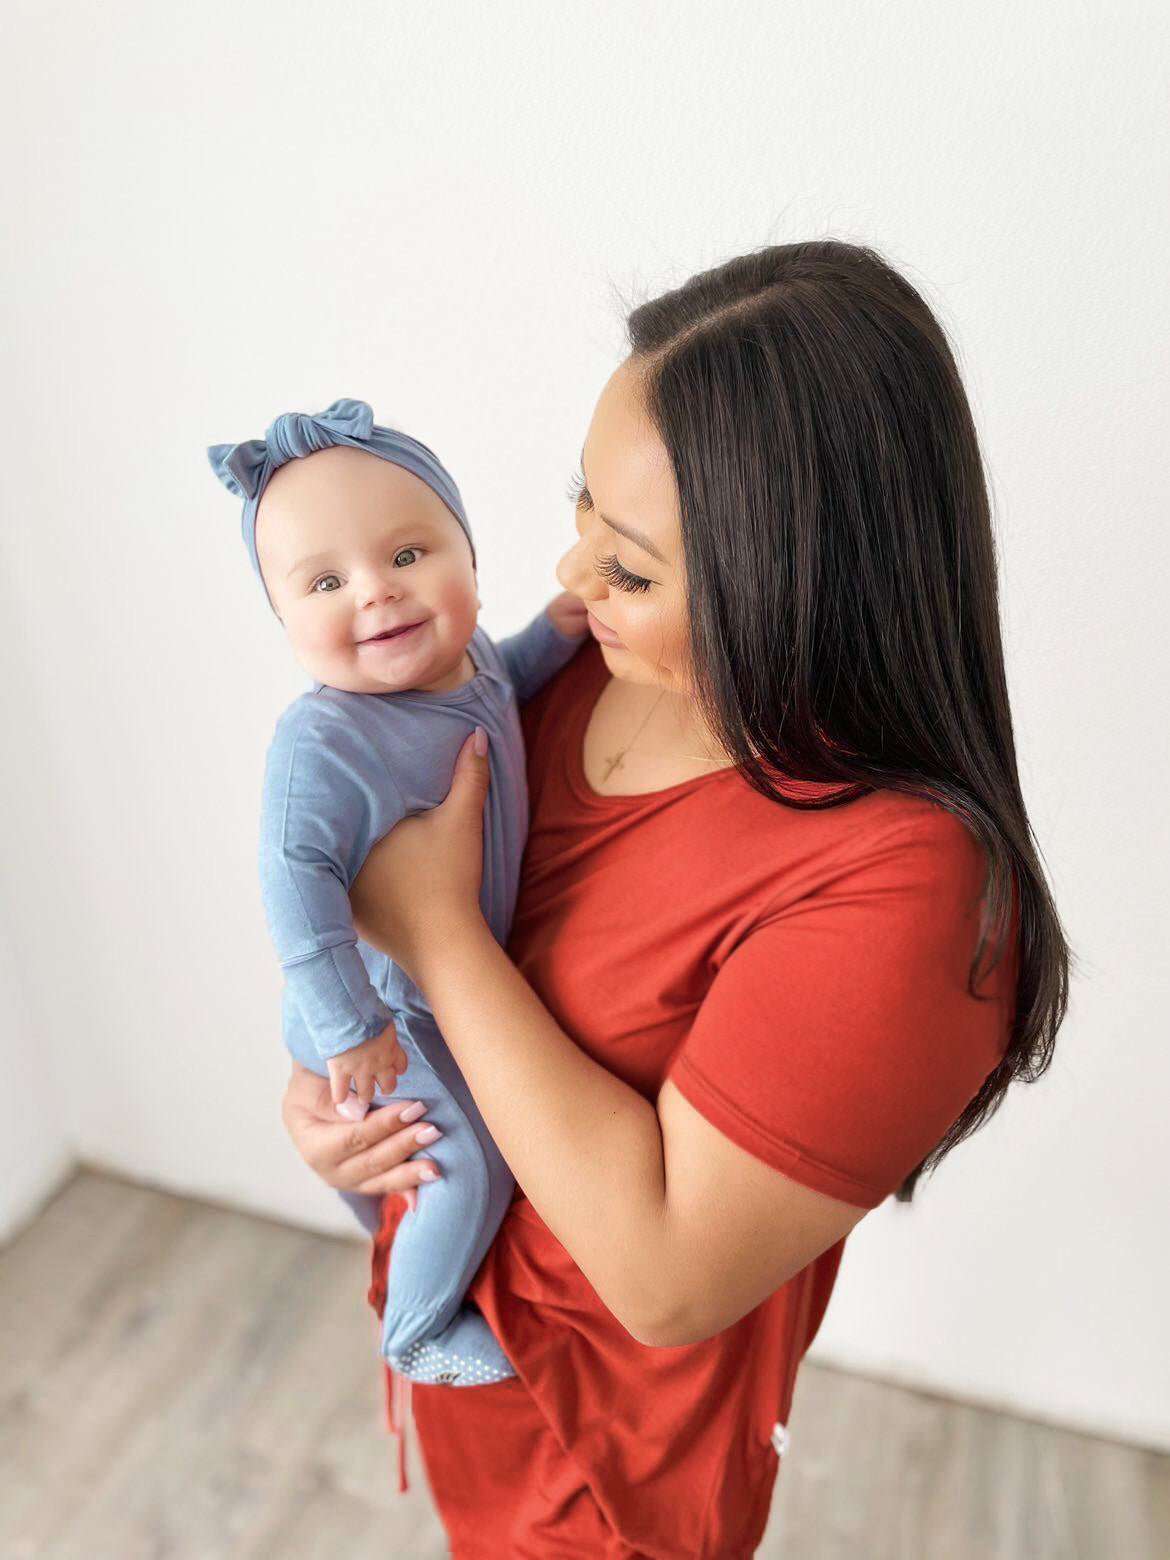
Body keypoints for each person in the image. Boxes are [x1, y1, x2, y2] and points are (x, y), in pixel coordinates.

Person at [279, 240, 1070, 1558]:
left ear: (799, 594)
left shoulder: (907, 891)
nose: (569, 578)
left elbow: (665, 1279)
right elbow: (431, 1012)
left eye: (631, 569)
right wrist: (341, 1103)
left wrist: (430, 929)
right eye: (581, 509)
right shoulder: (573, 678)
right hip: (468, 1369)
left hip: (607, 1489)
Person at [206, 399, 588, 1407]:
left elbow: (516, 673)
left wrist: (555, 632)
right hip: (373, 1008)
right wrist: (350, 1028)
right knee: (467, 1169)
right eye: (326, 582)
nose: (376, 593)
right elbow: (293, 884)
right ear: (284, 621)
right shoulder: (321, 744)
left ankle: (392, 1232)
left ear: (467, 553)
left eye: (409, 553)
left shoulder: (470, 665)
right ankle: (416, 1333)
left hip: (430, 987)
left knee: (398, 1163)